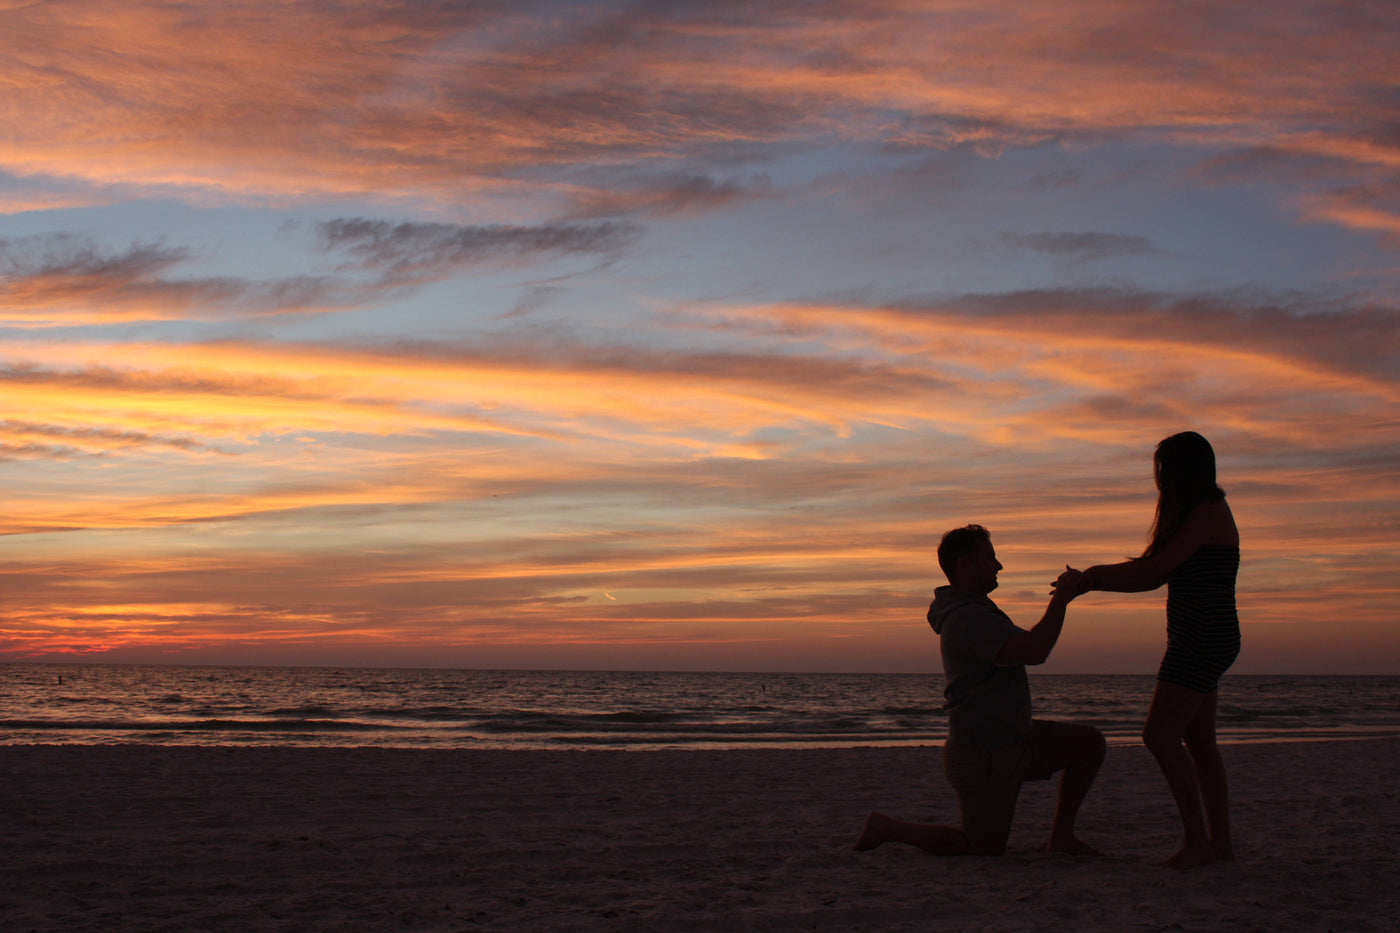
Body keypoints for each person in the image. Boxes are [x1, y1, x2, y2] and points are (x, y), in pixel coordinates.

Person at [854, 524, 1105, 857]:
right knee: (982, 847)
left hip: (1015, 742)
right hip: (983, 755)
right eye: (990, 558)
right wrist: (1062, 599)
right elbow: (1034, 651)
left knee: (1088, 744)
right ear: (964, 565)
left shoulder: (977, 611)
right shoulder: (968, 618)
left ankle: (1062, 839)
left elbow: (1027, 647)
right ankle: (887, 827)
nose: (998, 565)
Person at [1078, 430, 1240, 869]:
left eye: (1165, 470)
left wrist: (1091, 577)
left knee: (1159, 735)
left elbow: (1154, 573)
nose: (1160, 479)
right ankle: (1218, 846)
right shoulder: (1197, 513)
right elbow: (1153, 570)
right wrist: (1094, 579)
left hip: (1202, 638)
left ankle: (1199, 845)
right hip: (1206, 635)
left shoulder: (1207, 512)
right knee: (1200, 741)